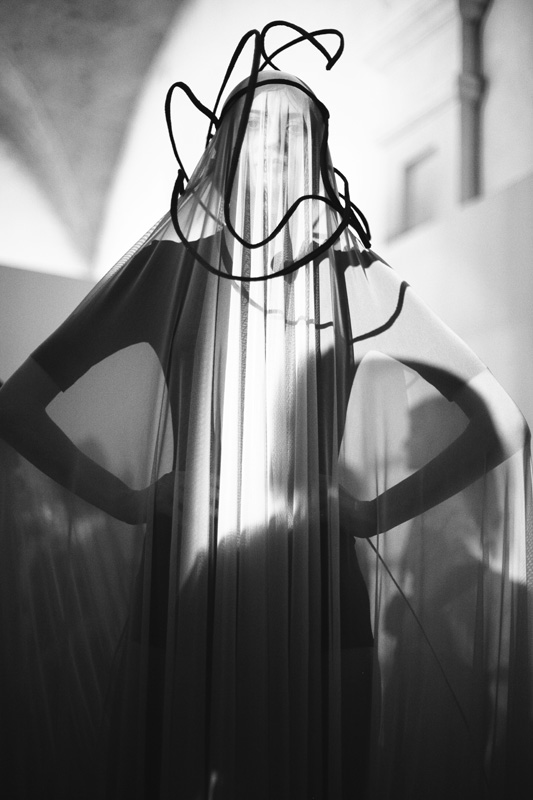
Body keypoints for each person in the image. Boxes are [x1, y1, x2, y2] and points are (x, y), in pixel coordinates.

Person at [0, 22, 531, 800]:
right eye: (262, 134)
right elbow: (17, 406)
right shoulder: (168, 269)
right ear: (224, 150)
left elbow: (500, 420)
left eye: (294, 138)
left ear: (316, 157)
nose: (277, 152)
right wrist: (129, 500)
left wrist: (376, 512)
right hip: (189, 593)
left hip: (310, 600)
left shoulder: (353, 278)